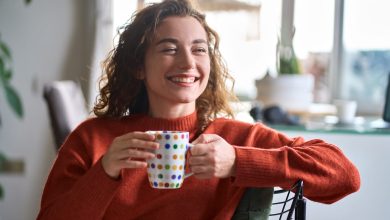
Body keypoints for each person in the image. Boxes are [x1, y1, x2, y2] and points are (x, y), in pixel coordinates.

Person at [37, 0, 360, 219]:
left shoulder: (233, 139)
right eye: (169, 49)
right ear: (138, 66)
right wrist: (105, 172)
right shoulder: (94, 139)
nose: (188, 63)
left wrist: (237, 161)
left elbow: (344, 175)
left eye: (199, 50)